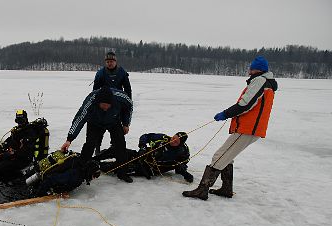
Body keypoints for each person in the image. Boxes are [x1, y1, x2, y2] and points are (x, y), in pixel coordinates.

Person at [182, 56, 278, 200]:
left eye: (251, 68)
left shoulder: (260, 81)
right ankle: (226, 189)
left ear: (257, 69)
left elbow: (245, 104)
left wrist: (226, 114)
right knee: (227, 157)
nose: (249, 71)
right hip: (250, 129)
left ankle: (202, 190)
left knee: (219, 156)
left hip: (248, 129)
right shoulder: (265, 82)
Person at [60, 86, 134, 183]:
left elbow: (129, 107)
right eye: (103, 105)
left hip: (114, 121)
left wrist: (126, 123)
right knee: (90, 144)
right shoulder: (91, 100)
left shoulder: (121, 97)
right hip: (95, 122)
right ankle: (82, 171)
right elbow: (80, 119)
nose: (105, 108)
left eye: (108, 105)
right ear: (98, 102)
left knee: (120, 144)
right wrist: (69, 139)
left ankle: (122, 172)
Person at [0, 110, 49, 180]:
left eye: (21, 120)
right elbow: (10, 140)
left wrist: (12, 153)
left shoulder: (30, 132)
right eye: (18, 121)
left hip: (22, 159)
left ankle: (0, 181)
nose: (19, 123)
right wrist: (4, 145)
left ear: (26, 119)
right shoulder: (18, 130)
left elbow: (26, 151)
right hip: (11, 155)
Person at [95, 132, 194, 182]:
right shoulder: (164, 138)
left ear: (180, 144)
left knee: (118, 166)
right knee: (117, 150)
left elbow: (180, 165)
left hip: (148, 169)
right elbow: (145, 136)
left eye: (176, 141)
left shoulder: (182, 152)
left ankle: (97, 166)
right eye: (173, 138)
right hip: (142, 156)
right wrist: (142, 147)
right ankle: (93, 159)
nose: (173, 141)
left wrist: (185, 173)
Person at [93, 51, 132, 154]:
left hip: (117, 103)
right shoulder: (101, 73)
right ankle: (97, 148)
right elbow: (95, 91)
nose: (109, 63)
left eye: (111, 61)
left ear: (115, 61)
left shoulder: (122, 72)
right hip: (103, 104)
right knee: (100, 127)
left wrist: (128, 101)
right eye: (107, 61)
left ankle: (114, 145)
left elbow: (127, 89)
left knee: (116, 127)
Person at [24, 150, 101, 197]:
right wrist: (41, 194)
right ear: (90, 172)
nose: (95, 178)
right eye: (95, 175)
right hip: (44, 181)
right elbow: (51, 179)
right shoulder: (75, 176)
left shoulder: (80, 167)